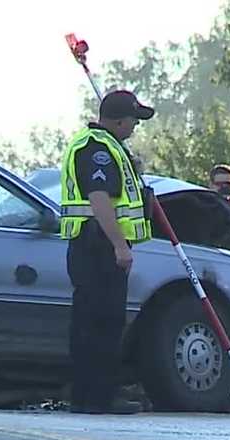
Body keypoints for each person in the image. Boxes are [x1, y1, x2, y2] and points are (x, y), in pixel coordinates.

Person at [60, 90, 155, 415]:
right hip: (97, 245)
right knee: (103, 322)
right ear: (118, 120)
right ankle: (98, 396)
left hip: (93, 245)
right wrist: (118, 245)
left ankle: (88, 396)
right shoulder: (97, 149)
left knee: (93, 321)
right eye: (133, 120)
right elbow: (99, 197)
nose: (135, 127)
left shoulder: (104, 146)